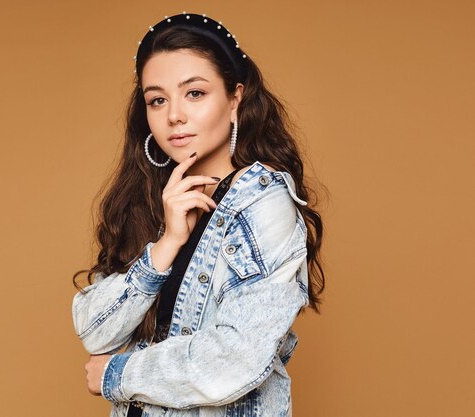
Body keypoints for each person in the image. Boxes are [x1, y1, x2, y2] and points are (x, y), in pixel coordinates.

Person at [72, 11, 325, 417]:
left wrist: (117, 375)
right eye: (157, 99)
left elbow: (233, 360)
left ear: (235, 97)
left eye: (194, 93)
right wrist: (167, 243)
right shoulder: (154, 201)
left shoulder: (262, 203)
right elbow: (94, 330)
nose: (174, 115)